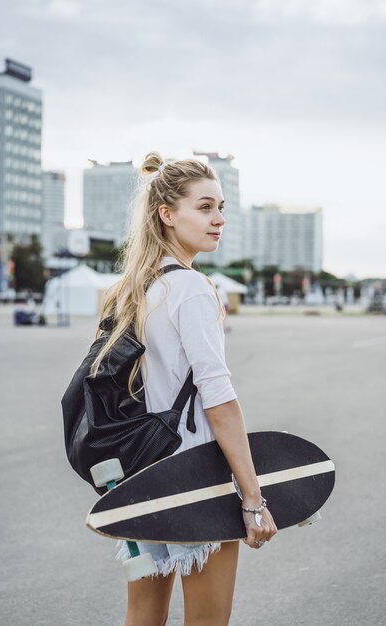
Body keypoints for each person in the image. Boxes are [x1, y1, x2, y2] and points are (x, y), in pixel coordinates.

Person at [94, 152, 277, 626]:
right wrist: (252, 499)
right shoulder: (193, 289)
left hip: (146, 473)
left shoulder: (136, 287)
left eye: (221, 208)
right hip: (198, 474)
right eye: (204, 207)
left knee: (143, 617)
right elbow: (218, 398)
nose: (218, 220)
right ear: (167, 214)